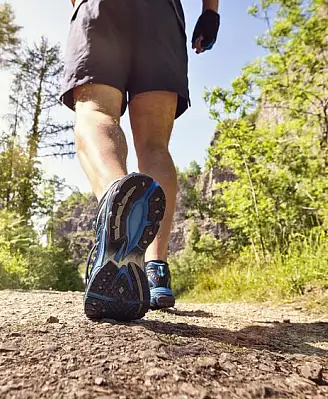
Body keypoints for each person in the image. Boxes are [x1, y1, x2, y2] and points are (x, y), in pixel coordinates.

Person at [61, 0, 220, 321]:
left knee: (95, 112)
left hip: (100, 6)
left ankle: (115, 202)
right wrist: (210, 13)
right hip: (161, 13)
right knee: (155, 146)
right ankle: (155, 269)